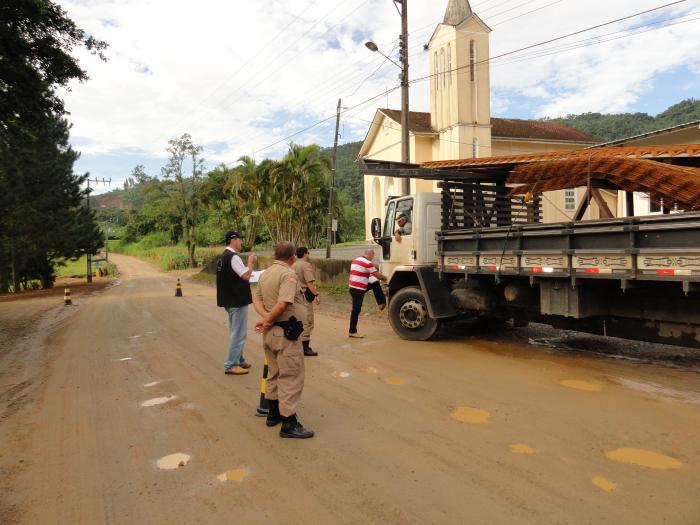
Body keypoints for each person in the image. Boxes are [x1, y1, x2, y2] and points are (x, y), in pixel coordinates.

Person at [253, 242, 314, 439]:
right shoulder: (288, 275)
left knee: (274, 372)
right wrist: (268, 319)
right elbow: (283, 303)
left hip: (271, 333)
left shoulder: (265, 273)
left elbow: (257, 300)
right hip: (285, 333)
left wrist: (265, 320)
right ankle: (289, 423)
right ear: (292, 258)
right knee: (291, 376)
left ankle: (273, 413)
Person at [216, 231, 256, 375]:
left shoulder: (222, 257)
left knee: (236, 331)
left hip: (228, 300)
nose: (241, 243)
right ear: (233, 240)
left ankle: (239, 360)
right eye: (240, 240)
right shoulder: (233, 257)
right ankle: (231, 365)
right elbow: (246, 275)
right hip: (236, 300)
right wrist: (250, 263)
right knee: (238, 334)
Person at [348, 249, 387, 338]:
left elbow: (366, 274)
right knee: (356, 310)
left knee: (375, 282)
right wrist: (386, 279)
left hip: (352, 287)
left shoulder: (355, 260)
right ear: (371, 255)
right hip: (358, 289)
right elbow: (379, 276)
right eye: (372, 257)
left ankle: (381, 302)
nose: (372, 259)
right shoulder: (367, 263)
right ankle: (352, 331)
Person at [292, 246, 320, 357]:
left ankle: (298, 345)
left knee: (299, 320)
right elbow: (309, 283)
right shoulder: (306, 265)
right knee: (308, 321)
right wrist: (317, 294)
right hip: (304, 295)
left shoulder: (293, 265)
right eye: (308, 253)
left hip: (295, 296)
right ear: (305, 254)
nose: (309, 255)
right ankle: (305, 348)